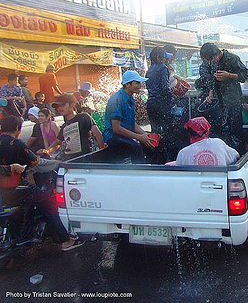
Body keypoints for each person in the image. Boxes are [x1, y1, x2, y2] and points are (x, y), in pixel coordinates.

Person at [0, 115, 84, 251]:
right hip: (16, 187)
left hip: (4, 193)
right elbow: (38, 163)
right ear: (17, 128)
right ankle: (65, 240)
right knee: (48, 203)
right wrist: (59, 164)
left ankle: (23, 239)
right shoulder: (15, 143)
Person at [199, 43, 248, 151]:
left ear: (215, 55)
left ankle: (238, 153)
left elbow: (245, 75)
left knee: (235, 130)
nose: (210, 62)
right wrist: (211, 93)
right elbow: (213, 80)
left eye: (210, 59)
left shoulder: (232, 58)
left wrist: (229, 75)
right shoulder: (212, 62)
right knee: (222, 130)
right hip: (219, 102)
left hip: (233, 100)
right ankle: (224, 153)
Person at [103, 70, 155, 163]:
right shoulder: (117, 99)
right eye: (137, 82)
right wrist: (140, 137)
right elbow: (116, 128)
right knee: (136, 146)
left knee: (150, 140)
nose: (140, 85)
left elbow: (131, 123)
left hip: (123, 134)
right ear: (128, 85)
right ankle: (139, 174)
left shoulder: (130, 97)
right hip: (113, 136)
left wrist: (145, 135)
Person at [48, 94, 104, 161]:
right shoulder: (64, 126)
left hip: (84, 158)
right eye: (57, 107)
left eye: (62, 105)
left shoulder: (83, 117)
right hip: (69, 160)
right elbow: (57, 142)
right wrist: (47, 151)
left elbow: (97, 134)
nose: (59, 108)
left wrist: (101, 153)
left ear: (72, 104)